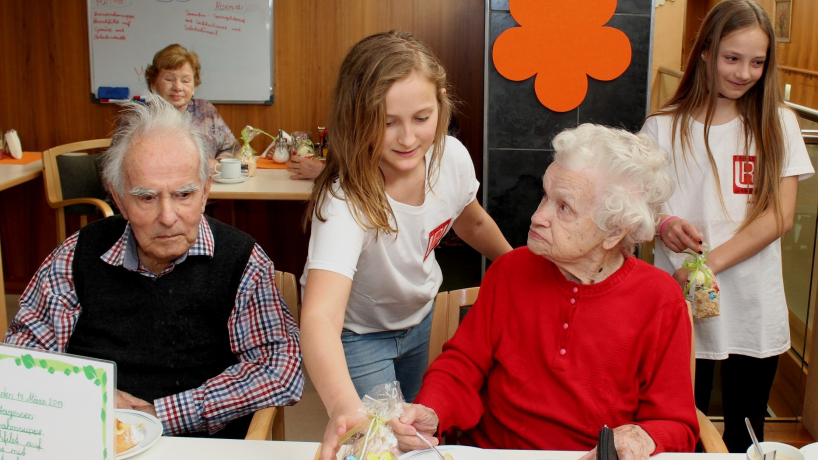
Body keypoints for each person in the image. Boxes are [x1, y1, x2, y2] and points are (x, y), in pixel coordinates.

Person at [4, 94, 303, 438]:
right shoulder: (75, 257)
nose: (167, 217)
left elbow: (279, 370)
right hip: (91, 435)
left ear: (206, 191)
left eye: (184, 195)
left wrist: (155, 415)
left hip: (200, 447)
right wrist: (90, 399)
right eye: (146, 197)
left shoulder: (242, 260)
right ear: (118, 199)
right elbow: (18, 363)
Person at [394, 124, 699, 458]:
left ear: (614, 231)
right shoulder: (510, 271)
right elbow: (462, 365)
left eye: (564, 207)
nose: (538, 216)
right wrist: (432, 410)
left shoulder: (659, 300)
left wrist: (641, 438)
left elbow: (675, 423)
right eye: (545, 196)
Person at [299, 30, 513, 460]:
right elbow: (320, 316)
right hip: (359, 336)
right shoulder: (346, 200)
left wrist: (517, 266)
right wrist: (345, 408)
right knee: (387, 443)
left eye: (421, 118)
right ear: (357, 116)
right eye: (387, 121)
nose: (408, 139)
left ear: (441, 103)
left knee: (417, 431)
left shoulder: (449, 156)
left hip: (418, 321)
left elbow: (470, 221)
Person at [641, 0, 813, 452]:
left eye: (757, 62)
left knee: (745, 429)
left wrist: (703, 266)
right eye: (731, 58)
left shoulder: (778, 123)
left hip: (752, 299)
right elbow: (636, 207)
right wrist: (665, 224)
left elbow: (779, 216)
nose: (743, 72)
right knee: (681, 425)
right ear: (704, 52)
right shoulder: (663, 127)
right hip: (678, 302)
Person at [143, 44, 237, 170]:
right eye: (169, 79)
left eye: (185, 80)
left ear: (194, 87)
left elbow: (233, 149)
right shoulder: (139, 116)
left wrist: (217, 163)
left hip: (206, 188)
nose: (177, 87)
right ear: (153, 85)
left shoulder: (206, 111)